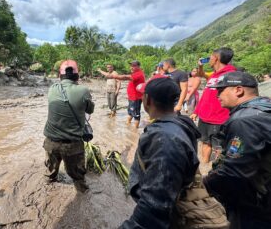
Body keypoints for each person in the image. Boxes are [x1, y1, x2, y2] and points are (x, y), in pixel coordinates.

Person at [121, 77, 200, 228]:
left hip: (170, 216)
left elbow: (156, 204)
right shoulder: (178, 123)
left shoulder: (164, 138)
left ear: (147, 100)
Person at [203, 71, 271, 229]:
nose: (217, 95)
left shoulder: (245, 120)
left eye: (221, 90)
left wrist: (204, 185)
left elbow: (234, 171)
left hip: (258, 205)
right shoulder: (264, 107)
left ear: (238, 90)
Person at [43, 60, 94, 193]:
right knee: (78, 175)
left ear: (60, 76)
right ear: (77, 76)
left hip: (50, 142)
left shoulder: (52, 88)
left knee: (51, 170)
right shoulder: (83, 90)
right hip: (72, 145)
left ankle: (50, 183)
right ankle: (82, 194)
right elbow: (90, 110)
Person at [190, 47, 237, 163]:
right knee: (205, 142)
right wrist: (196, 111)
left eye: (210, 57)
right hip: (205, 117)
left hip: (219, 119)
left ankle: (217, 173)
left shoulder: (231, 75)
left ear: (216, 58)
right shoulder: (214, 75)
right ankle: (205, 168)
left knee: (219, 148)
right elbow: (205, 92)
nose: (209, 59)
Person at [98, 60, 145, 128]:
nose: (131, 67)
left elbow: (125, 77)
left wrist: (114, 77)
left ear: (138, 66)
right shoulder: (135, 73)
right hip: (132, 98)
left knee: (136, 115)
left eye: (133, 66)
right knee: (130, 112)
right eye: (131, 66)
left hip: (135, 98)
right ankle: (128, 126)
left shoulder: (138, 74)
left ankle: (135, 131)